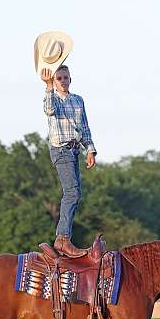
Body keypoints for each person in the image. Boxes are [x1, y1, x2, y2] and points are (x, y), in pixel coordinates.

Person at [41, 64, 97, 257]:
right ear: (55, 82)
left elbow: (84, 128)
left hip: (74, 150)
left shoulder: (78, 100)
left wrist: (90, 149)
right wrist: (48, 86)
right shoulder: (52, 98)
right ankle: (62, 238)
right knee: (72, 192)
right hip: (60, 149)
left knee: (75, 192)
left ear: (70, 79)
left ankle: (63, 237)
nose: (63, 81)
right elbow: (49, 110)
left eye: (66, 77)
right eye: (59, 78)